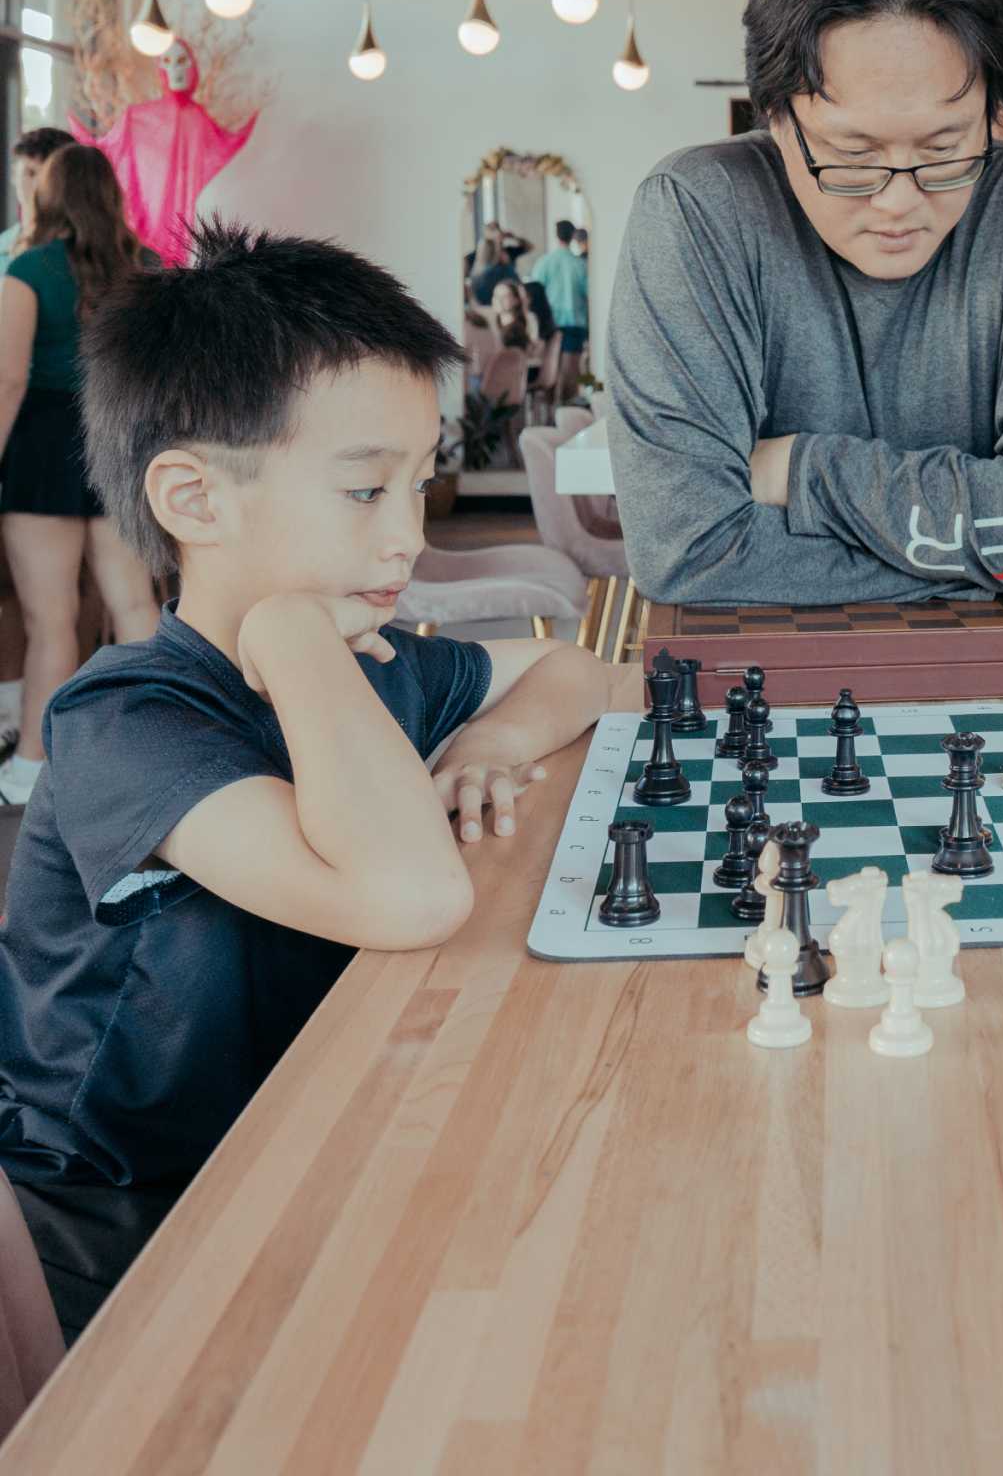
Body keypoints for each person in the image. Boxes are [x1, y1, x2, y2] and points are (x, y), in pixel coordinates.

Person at [0, 223, 619, 1338]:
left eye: (419, 488)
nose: (407, 540)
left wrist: (490, 740)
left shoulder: (373, 666)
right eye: (364, 491)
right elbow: (409, 896)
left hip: (294, 1126)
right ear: (193, 500)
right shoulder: (122, 721)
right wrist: (288, 630)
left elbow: (590, 674)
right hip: (115, 1217)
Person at [608, 0, 1003, 606]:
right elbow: (686, 553)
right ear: (774, 118)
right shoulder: (699, 212)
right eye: (852, 155)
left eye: (945, 147)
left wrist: (807, 471)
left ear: (996, 113)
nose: (899, 200)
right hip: (764, 691)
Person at [0, 146, 159, 804]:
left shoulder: (28, 268)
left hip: (42, 444)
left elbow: (8, 379)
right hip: (120, 439)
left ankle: (34, 766)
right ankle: (156, 753)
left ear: (50, 194)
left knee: (52, 618)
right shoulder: (147, 267)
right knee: (136, 606)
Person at [530, 218, 589, 398]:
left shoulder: (544, 262)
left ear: (556, 236)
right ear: (572, 235)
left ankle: (551, 415)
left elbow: (534, 293)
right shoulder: (580, 265)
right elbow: (588, 294)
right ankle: (566, 413)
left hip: (550, 324)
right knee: (570, 376)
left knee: (550, 374)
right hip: (575, 323)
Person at [0, 127, 76, 264]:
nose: (39, 185)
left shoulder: (83, 247)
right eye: (31, 173)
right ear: (13, 175)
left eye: (50, 176)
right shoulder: (3, 245)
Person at [489, 276, 541, 355]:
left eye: (505, 296)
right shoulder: (490, 322)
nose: (498, 300)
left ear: (516, 300)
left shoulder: (519, 329)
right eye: (495, 296)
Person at [467, 229, 516, 308]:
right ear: (496, 252)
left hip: (481, 311)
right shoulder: (499, 271)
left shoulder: (474, 274)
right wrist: (508, 264)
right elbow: (516, 286)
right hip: (498, 310)